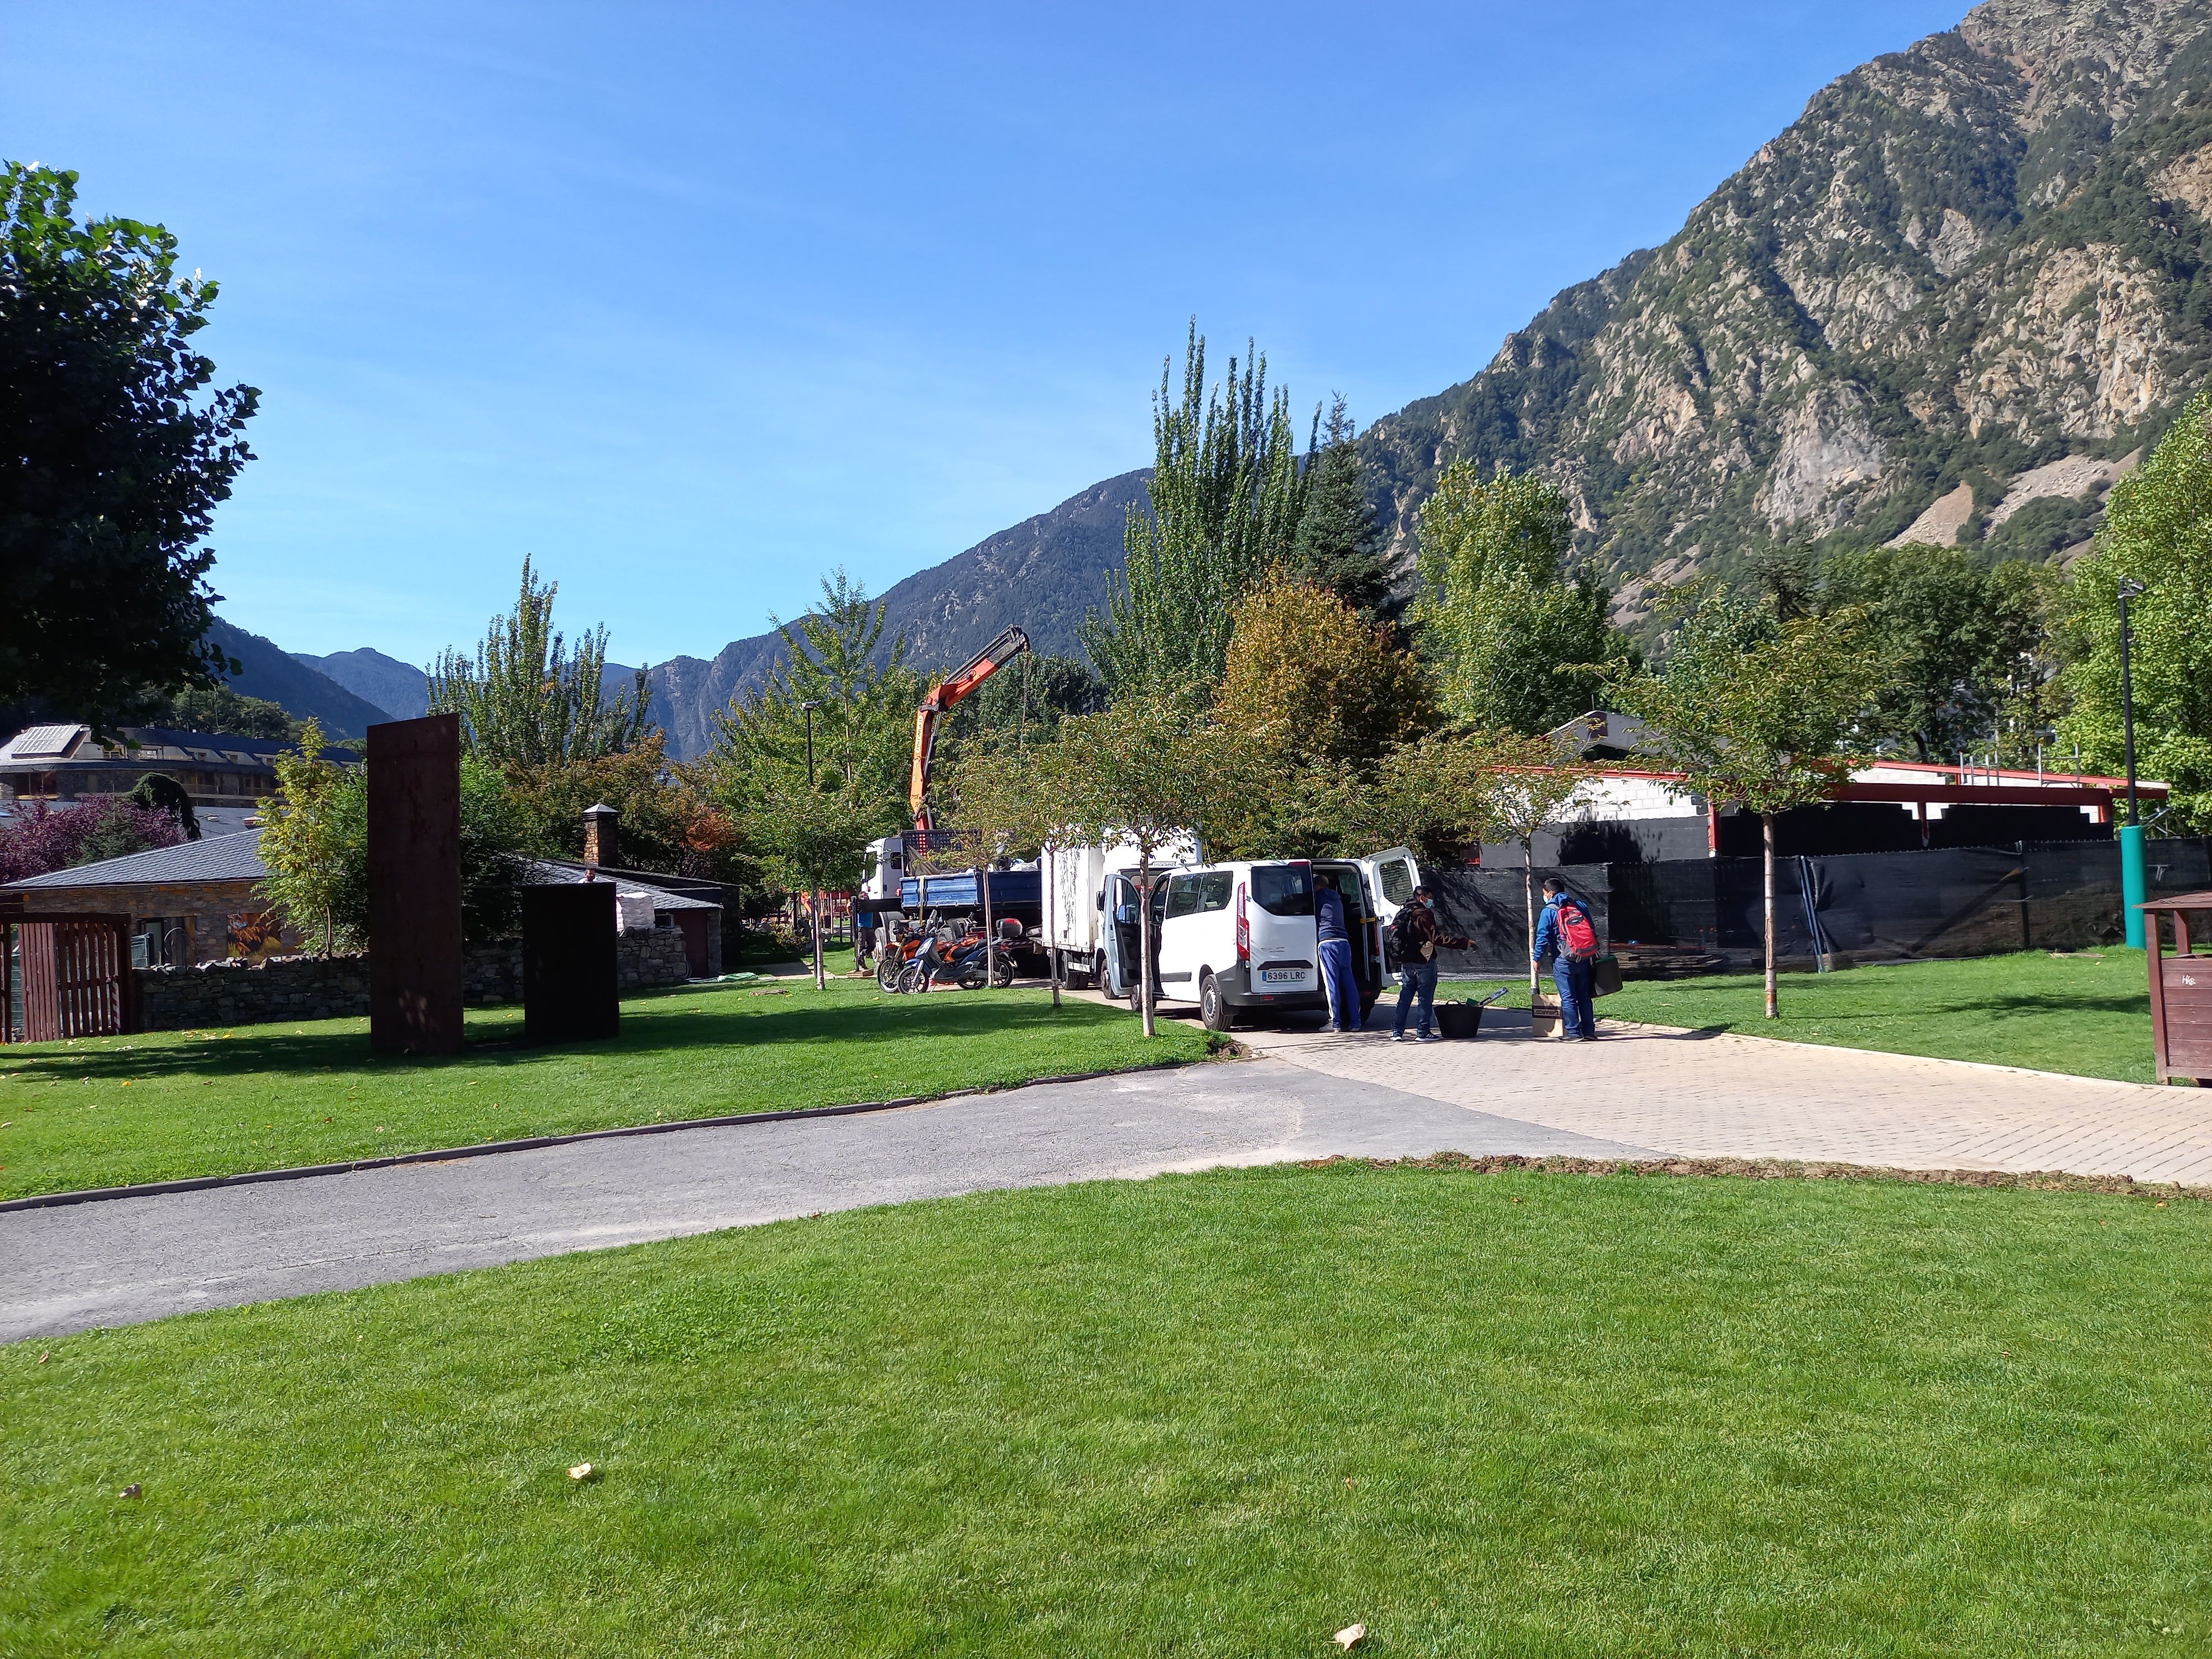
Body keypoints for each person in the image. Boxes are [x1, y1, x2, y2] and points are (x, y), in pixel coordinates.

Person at [1390, 884, 1469, 1042]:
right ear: (1422, 898)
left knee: (1404, 998)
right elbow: (1436, 938)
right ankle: (1423, 1032)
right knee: (1425, 1000)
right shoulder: (1423, 914)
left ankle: (1396, 1032)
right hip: (1424, 962)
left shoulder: (1404, 912)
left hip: (1407, 962)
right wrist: (1463, 943)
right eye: (1430, 898)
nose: (1432, 902)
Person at [1533, 875, 1600, 1041]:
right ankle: (1589, 1032)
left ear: (1549, 894)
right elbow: (1591, 928)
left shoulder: (1549, 911)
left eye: (1544, 894)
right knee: (1584, 996)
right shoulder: (1579, 905)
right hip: (1583, 956)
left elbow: (1543, 937)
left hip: (1563, 959)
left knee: (1568, 997)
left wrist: (1537, 958)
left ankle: (1574, 1033)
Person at [1314, 872, 1359, 1034]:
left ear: (1317, 886)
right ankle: (1355, 1022)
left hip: (1328, 943)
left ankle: (1335, 1022)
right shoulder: (1337, 898)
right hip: (1344, 943)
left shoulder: (1317, 897)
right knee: (1350, 984)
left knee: (1331, 984)